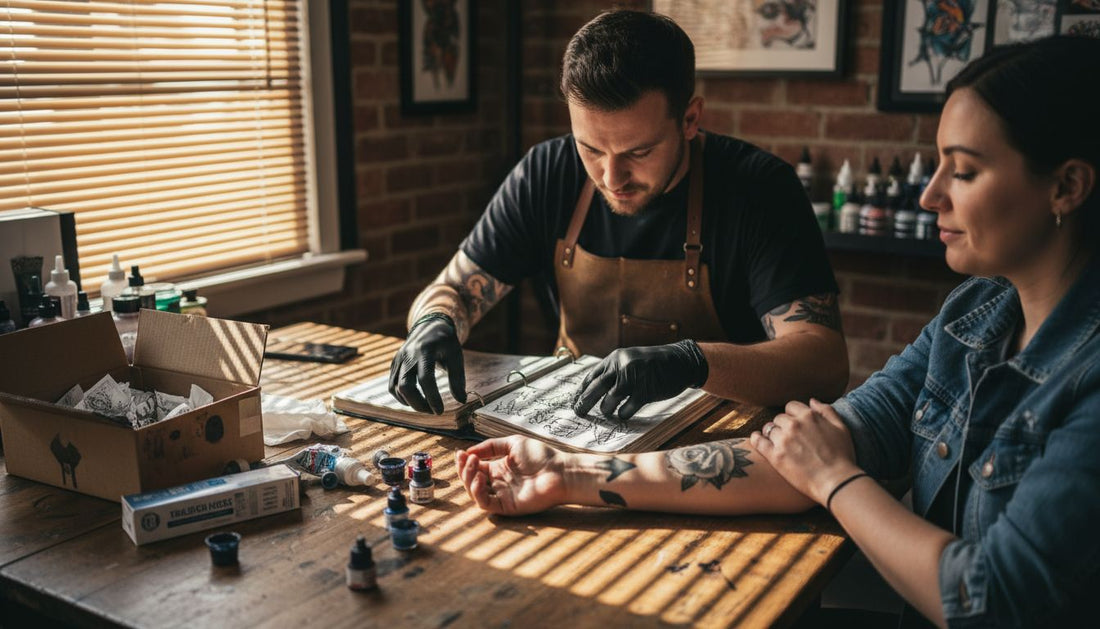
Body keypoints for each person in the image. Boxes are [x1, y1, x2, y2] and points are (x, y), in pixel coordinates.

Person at [454, 35, 1100, 627]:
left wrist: (836, 480)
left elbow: (992, 600)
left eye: (962, 171)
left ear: (1067, 185)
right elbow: (804, 451)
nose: (930, 195)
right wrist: (568, 472)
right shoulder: (973, 316)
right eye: (937, 166)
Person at [389, 9, 847, 419]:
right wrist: (434, 323)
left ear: (690, 119)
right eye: (590, 148)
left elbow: (823, 363)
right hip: (570, 432)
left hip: (717, 441)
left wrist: (693, 362)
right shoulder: (547, 172)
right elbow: (454, 288)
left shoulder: (760, 189)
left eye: (639, 151)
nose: (611, 177)